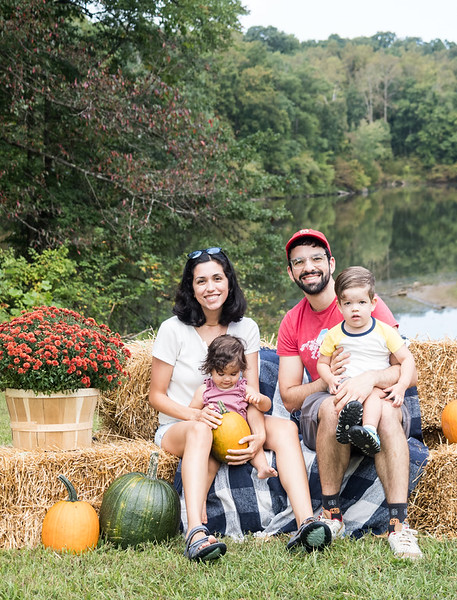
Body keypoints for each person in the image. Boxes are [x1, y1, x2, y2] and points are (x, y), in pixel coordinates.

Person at [149, 246, 332, 563]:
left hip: (238, 418)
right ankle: (196, 533)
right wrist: (195, 414)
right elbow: (157, 396)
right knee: (200, 432)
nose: (211, 288)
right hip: (181, 425)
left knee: (286, 428)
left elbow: (249, 394)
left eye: (217, 278)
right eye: (201, 281)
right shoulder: (172, 329)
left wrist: (259, 434)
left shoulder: (245, 328)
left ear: (229, 282)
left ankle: (306, 523)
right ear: (191, 288)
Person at [276, 229, 423, 559]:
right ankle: (332, 516)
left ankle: (399, 527)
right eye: (298, 262)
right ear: (290, 272)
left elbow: (407, 370)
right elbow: (288, 397)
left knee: (383, 410)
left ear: (331, 263)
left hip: (379, 395)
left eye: (316, 258)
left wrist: (369, 378)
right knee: (332, 406)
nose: (308, 267)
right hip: (328, 395)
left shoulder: (367, 302)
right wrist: (330, 382)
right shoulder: (292, 321)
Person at [316, 266, 417, 457]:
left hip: (377, 386)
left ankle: (369, 432)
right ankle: (347, 428)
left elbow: (407, 359)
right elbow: (322, 363)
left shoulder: (384, 331)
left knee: (372, 398)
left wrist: (402, 386)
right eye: (348, 303)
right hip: (347, 386)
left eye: (362, 302)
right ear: (339, 306)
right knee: (339, 403)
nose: (355, 308)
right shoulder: (334, 334)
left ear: (373, 303)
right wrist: (329, 379)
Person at [191, 334, 278, 479]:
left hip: (240, 436)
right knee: (209, 466)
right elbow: (192, 412)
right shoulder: (204, 390)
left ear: (241, 370)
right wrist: (201, 414)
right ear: (210, 369)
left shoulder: (243, 388)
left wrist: (259, 399)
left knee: (254, 447)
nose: (227, 379)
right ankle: (201, 497)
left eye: (233, 373)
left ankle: (262, 468)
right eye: (221, 373)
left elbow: (266, 406)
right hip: (214, 440)